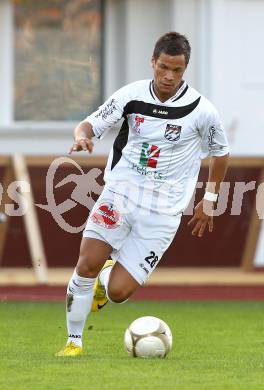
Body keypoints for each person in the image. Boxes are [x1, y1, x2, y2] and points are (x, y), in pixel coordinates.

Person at [56, 32, 229, 356]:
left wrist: (210, 200)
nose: (168, 76)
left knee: (119, 292)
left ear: (184, 69)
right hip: (119, 195)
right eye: (163, 67)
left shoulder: (202, 110)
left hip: (163, 212)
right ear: (153, 61)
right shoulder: (131, 95)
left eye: (176, 70)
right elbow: (89, 124)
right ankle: (73, 342)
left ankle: (107, 280)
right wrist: (82, 138)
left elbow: (220, 153)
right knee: (87, 264)